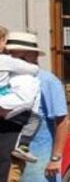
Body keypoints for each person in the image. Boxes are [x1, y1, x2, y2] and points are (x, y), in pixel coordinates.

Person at [5, 32, 70, 182]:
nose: (13, 58)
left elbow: (62, 121)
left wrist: (56, 157)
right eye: (10, 54)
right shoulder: (7, 79)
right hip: (12, 157)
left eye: (18, 54)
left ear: (32, 55)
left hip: (39, 160)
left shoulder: (47, 80)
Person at [0, 27, 42, 163]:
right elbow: (24, 100)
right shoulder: (23, 74)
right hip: (8, 109)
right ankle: (22, 146)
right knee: (34, 120)